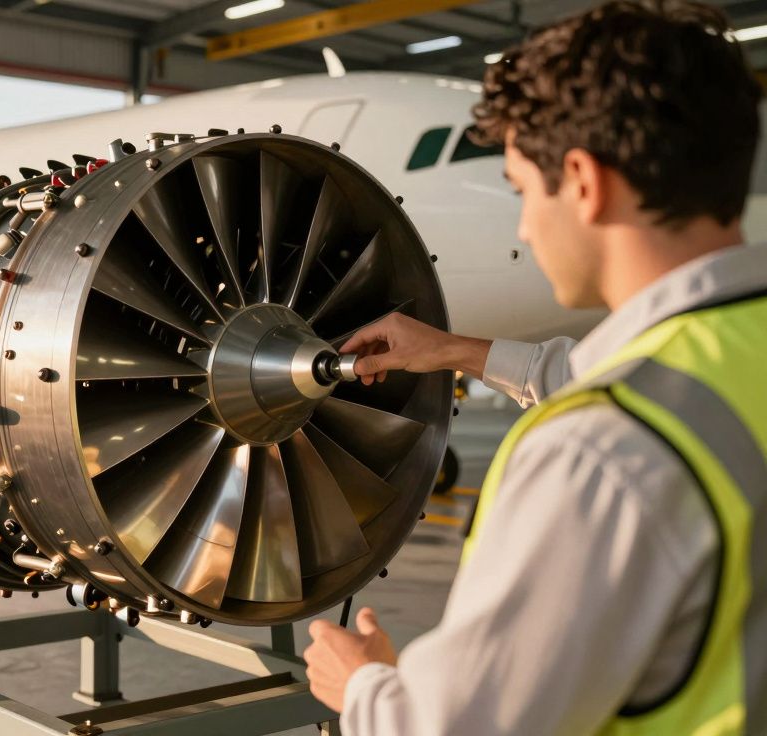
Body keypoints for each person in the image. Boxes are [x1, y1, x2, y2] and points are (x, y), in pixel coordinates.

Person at [301, 1, 767, 733]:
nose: (523, 224)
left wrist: (364, 686)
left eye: (522, 188)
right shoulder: (728, 356)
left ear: (583, 181)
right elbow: (664, 389)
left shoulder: (595, 453)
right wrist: (455, 351)